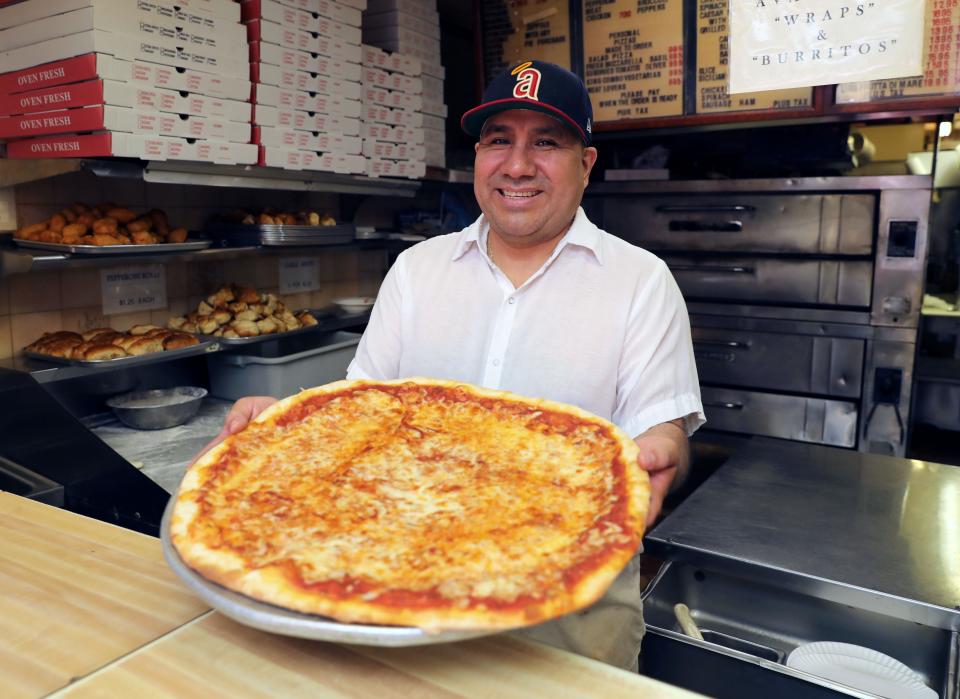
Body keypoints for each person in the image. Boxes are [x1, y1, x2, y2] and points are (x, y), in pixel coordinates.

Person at [198, 60, 704, 671]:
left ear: (586, 164)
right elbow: (361, 414)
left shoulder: (641, 282)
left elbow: (664, 433)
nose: (517, 165)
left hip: (567, 616)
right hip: (390, 594)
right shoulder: (417, 269)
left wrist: (664, 447)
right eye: (499, 141)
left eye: (546, 142)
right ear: (479, 158)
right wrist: (287, 434)